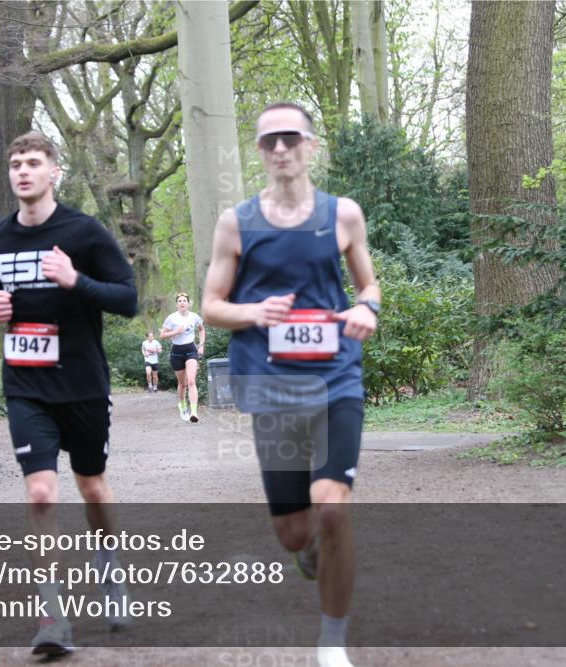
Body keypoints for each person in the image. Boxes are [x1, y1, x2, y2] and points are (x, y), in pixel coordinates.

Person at [202, 103, 380, 667]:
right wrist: (255, 313)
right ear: (259, 152)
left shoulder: (342, 215)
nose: (280, 149)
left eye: (290, 138)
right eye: (268, 142)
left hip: (335, 380)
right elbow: (211, 306)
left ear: (311, 145)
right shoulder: (236, 222)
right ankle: (305, 549)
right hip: (272, 388)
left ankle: (332, 641)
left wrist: (366, 311)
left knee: (333, 508)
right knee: (292, 533)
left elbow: (369, 287)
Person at [0, 131, 138, 655]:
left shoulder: (83, 232)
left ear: (54, 172)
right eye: (16, 164)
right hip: (26, 385)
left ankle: (111, 575)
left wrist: (76, 281)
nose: (23, 171)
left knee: (92, 486)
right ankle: (53, 617)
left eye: (33, 163)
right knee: (42, 492)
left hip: (82, 383)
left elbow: (128, 300)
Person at [159, 293, 206, 423]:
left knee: (191, 381)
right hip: (177, 352)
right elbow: (162, 335)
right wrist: (176, 332)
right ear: (177, 304)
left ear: (188, 303)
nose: (182, 302)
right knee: (183, 383)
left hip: (191, 349)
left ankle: (194, 412)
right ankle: (182, 405)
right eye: (179, 301)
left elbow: (202, 330)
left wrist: (201, 345)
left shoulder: (194, 317)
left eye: (184, 300)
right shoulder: (171, 318)